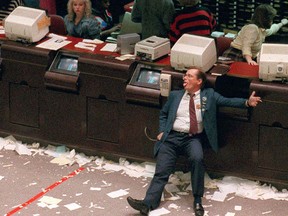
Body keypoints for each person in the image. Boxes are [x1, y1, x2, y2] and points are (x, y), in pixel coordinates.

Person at [127, 68, 262, 216]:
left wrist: (247, 102)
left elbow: (227, 101)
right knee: (161, 170)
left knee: (197, 160)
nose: (185, 78)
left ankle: (197, 201)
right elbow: (164, 114)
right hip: (171, 138)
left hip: (192, 139)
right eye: (185, 75)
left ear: (199, 81)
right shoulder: (175, 95)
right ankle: (147, 204)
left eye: (189, 76)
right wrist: (161, 130)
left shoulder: (208, 96)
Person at [222, 4, 288, 65]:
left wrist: (281, 23)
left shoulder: (261, 30)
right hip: (236, 55)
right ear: (265, 19)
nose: (272, 21)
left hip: (245, 56)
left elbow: (272, 29)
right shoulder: (252, 28)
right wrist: (249, 60)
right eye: (271, 19)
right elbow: (246, 45)